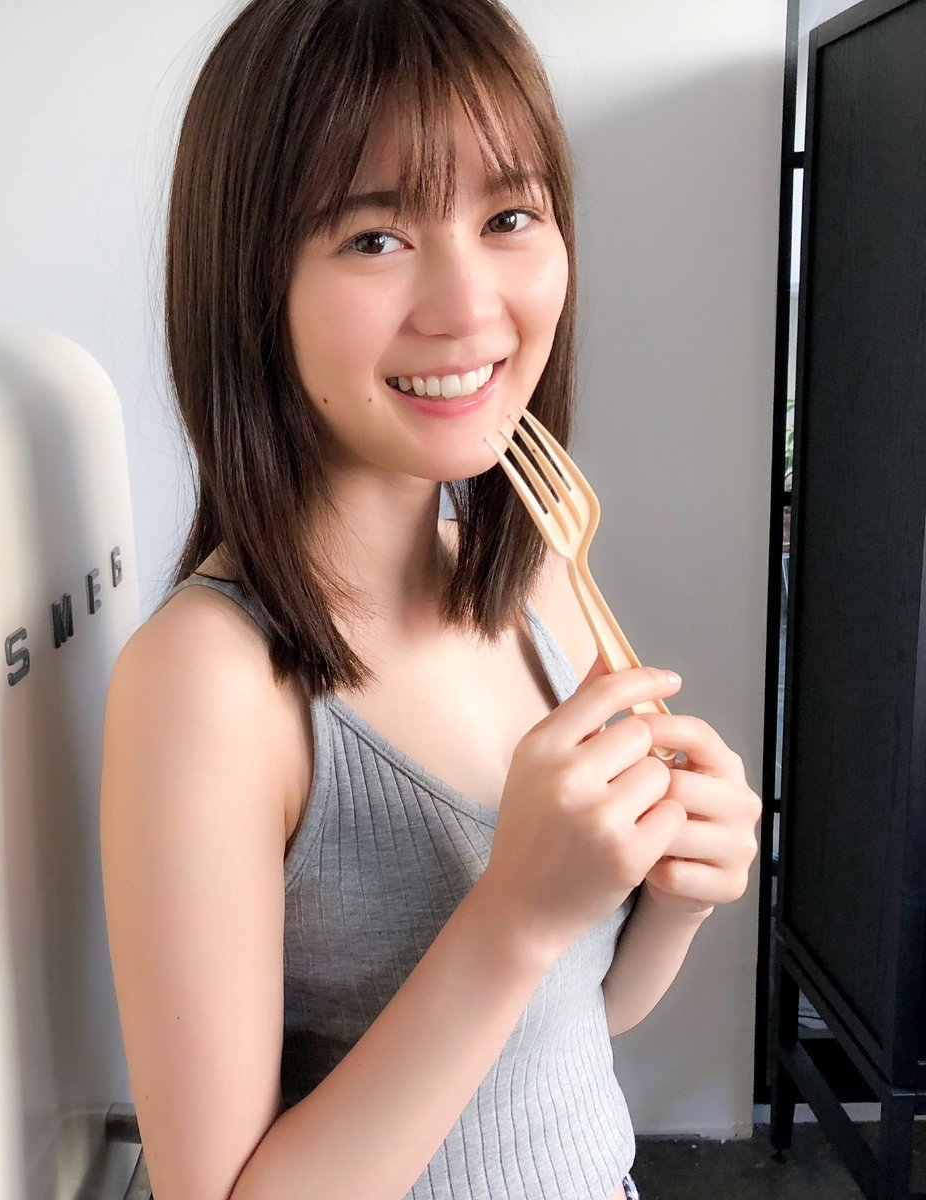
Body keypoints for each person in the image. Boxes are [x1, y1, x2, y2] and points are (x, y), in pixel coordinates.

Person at [99, 1, 762, 1197]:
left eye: (509, 217)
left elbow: (566, 1028)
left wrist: (676, 898)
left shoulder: (542, 574)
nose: (468, 305)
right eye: (374, 237)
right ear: (249, 285)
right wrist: (510, 916)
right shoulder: (207, 683)